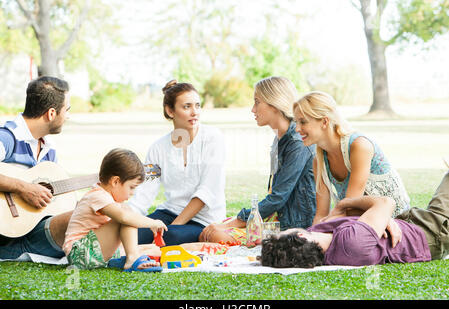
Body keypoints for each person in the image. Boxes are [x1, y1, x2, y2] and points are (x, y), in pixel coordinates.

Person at [199, 76, 316, 245]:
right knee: (208, 231)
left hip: (292, 225)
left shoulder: (297, 143)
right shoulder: (280, 139)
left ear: (274, 104)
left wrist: (234, 223)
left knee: (216, 235)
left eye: (257, 102)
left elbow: (277, 198)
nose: (253, 110)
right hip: (277, 218)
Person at [260, 170, 449, 268]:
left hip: (411, 223)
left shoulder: (321, 231)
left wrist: (380, 217)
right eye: (283, 232)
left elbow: (376, 209)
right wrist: (345, 204)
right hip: (432, 232)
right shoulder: (351, 244)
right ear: (300, 237)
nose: (286, 228)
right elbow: (386, 202)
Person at [126, 80, 226, 246]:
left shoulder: (213, 138)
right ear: (170, 111)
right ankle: (70, 251)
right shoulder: (157, 148)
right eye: (187, 107)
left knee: (170, 237)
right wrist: (126, 219)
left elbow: (206, 192)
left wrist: (172, 228)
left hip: (202, 220)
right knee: (129, 234)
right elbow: (144, 192)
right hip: (168, 213)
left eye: (197, 106)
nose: (195, 112)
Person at [293, 91, 410, 224]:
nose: (297, 129)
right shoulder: (319, 160)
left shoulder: (359, 146)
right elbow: (320, 215)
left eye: (303, 122)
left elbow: (350, 208)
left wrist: (327, 223)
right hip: (361, 222)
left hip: (396, 223)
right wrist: (312, 237)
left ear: (324, 121)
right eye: (296, 122)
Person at [0, 76, 72, 259]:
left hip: (29, 231)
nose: (68, 116)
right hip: (4, 233)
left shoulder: (49, 149)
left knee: (90, 212)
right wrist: (23, 187)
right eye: (67, 110)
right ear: (51, 114)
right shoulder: (8, 138)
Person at [62, 148, 167, 271]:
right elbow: (125, 218)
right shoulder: (96, 195)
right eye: (131, 187)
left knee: (153, 249)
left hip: (96, 250)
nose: (132, 193)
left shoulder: (113, 202)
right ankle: (131, 259)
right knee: (126, 217)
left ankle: (126, 258)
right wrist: (153, 223)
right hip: (79, 253)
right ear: (115, 181)